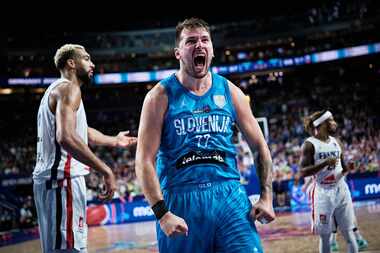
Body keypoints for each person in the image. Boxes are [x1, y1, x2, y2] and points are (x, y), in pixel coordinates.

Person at [135, 18, 275, 253]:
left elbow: (261, 147)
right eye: (191, 41)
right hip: (180, 200)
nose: (199, 45)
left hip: (229, 195)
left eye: (205, 40)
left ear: (211, 50)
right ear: (178, 53)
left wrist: (266, 196)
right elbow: (143, 160)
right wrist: (162, 213)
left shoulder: (231, 91)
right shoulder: (158, 97)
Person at [33, 44, 137, 253]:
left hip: (52, 183)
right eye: (87, 58)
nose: (93, 64)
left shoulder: (54, 90)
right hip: (63, 182)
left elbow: (83, 131)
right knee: (71, 249)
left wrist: (114, 140)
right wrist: (105, 170)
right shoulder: (69, 89)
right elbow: (66, 136)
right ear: (71, 63)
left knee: (59, 249)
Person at [299, 110, 358, 253]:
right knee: (325, 236)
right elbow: (303, 171)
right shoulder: (309, 144)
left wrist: (349, 168)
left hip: (341, 189)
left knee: (349, 233)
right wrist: (324, 163)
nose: (334, 123)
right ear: (322, 124)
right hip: (323, 192)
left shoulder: (336, 142)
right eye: (330, 120)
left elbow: (343, 169)